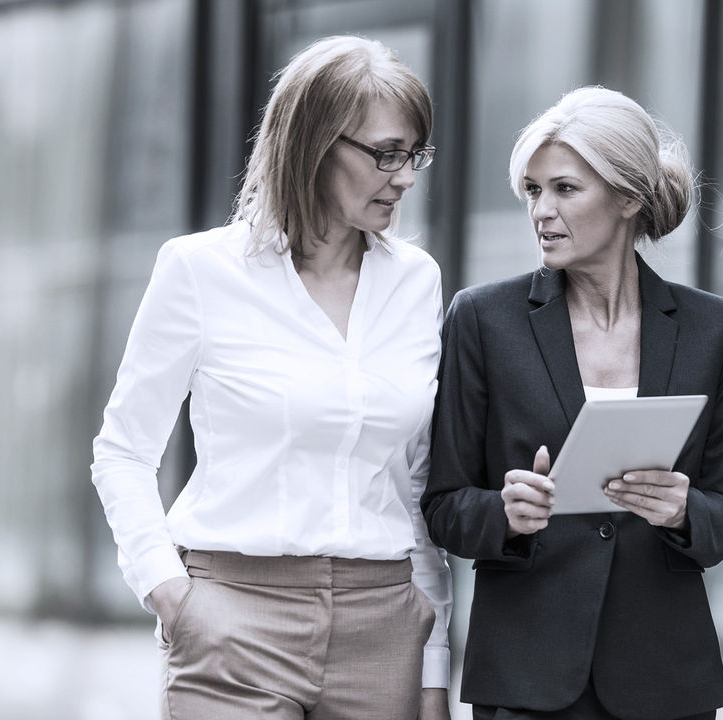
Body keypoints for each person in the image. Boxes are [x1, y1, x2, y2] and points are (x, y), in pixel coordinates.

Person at [91, 35, 452, 720]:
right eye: (385, 154)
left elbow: (414, 482)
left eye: (415, 155)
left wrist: (433, 662)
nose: (404, 176)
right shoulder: (200, 271)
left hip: (384, 632)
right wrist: (172, 593)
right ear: (314, 142)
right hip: (234, 622)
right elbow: (123, 451)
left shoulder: (417, 281)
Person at [422, 86, 723, 720]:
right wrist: (506, 513)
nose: (541, 211)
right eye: (532, 191)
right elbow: (444, 505)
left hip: (666, 682)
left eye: (565, 189)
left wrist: (684, 511)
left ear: (628, 198)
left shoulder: (717, 329)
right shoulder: (483, 320)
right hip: (525, 678)